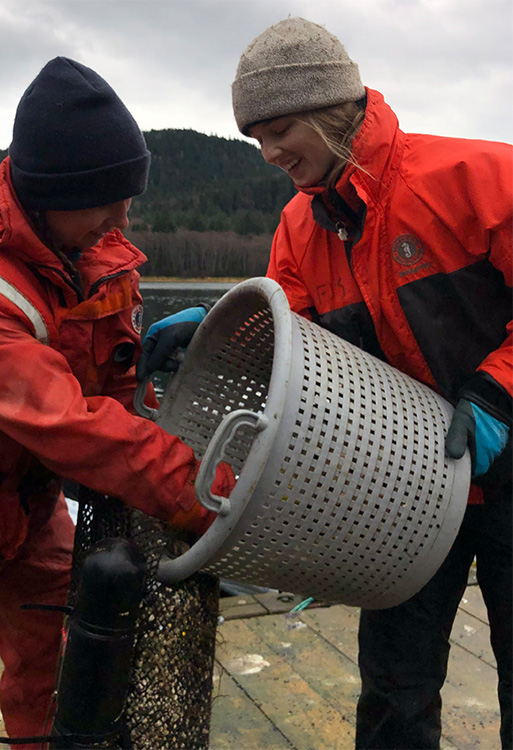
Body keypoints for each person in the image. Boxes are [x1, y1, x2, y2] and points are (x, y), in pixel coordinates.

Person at [138, 17, 512, 750]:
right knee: (393, 691)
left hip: (511, 476)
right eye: (255, 139)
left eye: (278, 129)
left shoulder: (478, 177)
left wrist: (497, 394)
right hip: (408, 497)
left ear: (330, 109)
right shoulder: (298, 229)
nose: (270, 153)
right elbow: (288, 351)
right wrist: (215, 328)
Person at [0, 57, 233, 750]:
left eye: (128, 199)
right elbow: (70, 426)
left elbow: (113, 400)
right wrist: (204, 493)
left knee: (59, 665)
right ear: (45, 193)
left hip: (29, 505)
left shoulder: (95, 252)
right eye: (105, 201)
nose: (121, 220)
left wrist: (147, 375)